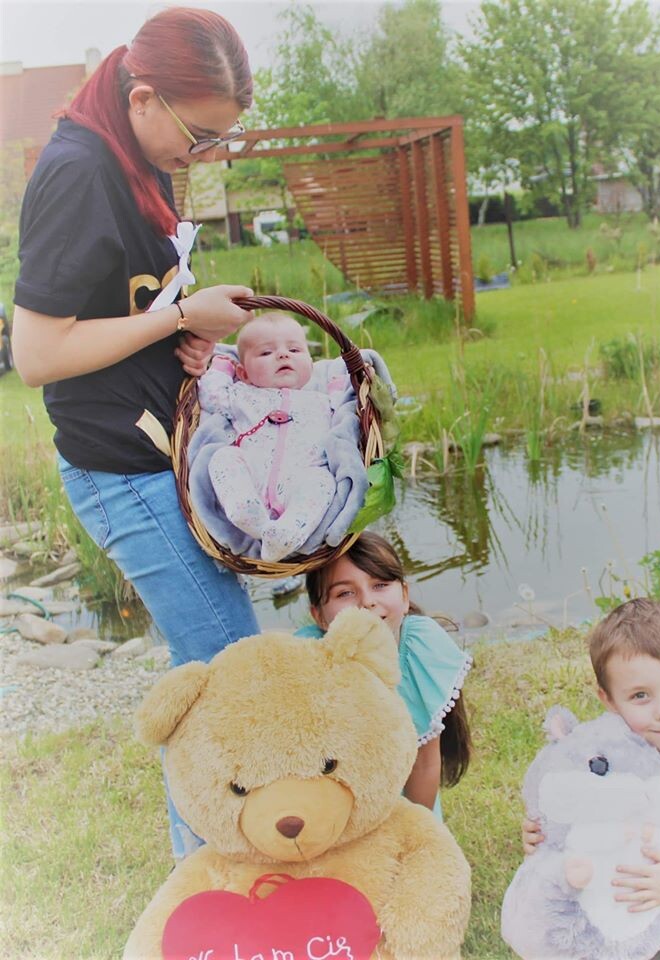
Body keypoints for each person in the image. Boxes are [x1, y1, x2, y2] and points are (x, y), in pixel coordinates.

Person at [12, 7, 260, 860]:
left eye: (219, 139)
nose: (204, 155)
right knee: (227, 677)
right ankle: (204, 885)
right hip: (121, 468)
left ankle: (210, 874)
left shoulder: (135, 160)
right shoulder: (79, 172)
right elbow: (37, 354)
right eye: (199, 136)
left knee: (211, 676)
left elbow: (126, 310)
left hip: (159, 453)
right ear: (143, 97)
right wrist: (180, 317)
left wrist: (188, 334)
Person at [523, 598, 660, 960]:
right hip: (617, 864)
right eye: (640, 696)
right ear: (610, 700)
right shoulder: (600, 758)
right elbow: (566, 815)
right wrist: (541, 837)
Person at [300, 532, 473, 816]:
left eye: (380, 585)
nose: (367, 601)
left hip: (405, 804)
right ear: (319, 616)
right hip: (331, 808)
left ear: (404, 596)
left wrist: (412, 831)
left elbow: (423, 764)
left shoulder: (418, 649)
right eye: (345, 593)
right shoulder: (307, 658)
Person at [198, 313, 344, 562]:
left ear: (311, 364)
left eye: (294, 350)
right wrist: (221, 369)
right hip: (252, 480)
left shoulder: (322, 401)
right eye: (266, 353)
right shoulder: (242, 395)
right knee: (224, 456)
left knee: (322, 481)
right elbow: (212, 398)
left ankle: (287, 532)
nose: (283, 355)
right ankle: (244, 510)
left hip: (299, 483)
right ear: (244, 373)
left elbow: (346, 417)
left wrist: (341, 387)